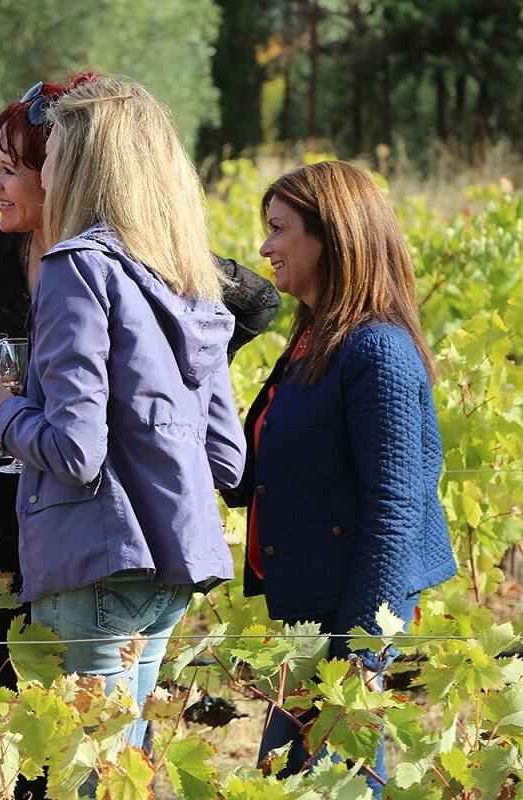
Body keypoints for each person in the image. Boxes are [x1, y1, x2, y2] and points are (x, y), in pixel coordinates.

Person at [0, 77, 245, 780]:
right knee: (126, 770)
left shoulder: (76, 269)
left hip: (95, 565)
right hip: (172, 568)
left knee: (85, 776)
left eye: (51, 156)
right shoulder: (185, 272)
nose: (37, 169)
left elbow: (76, 453)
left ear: (81, 165)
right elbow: (225, 460)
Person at [224, 161, 456, 796]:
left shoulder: (374, 349)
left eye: (278, 230)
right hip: (311, 610)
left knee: (330, 778)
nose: (265, 247)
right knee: (303, 777)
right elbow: (245, 479)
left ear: (330, 237)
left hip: (350, 613)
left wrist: (359, 649)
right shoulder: (310, 341)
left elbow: (397, 509)